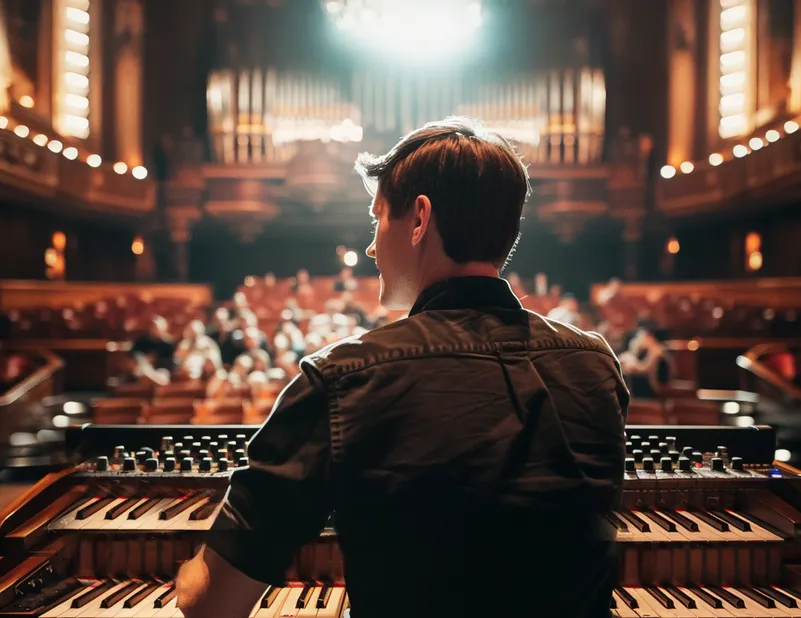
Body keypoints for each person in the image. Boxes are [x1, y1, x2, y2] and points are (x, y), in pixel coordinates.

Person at [176, 117, 629, 618]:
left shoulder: (343, 378)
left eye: (377, 220)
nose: (371, 247)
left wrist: (186, 574)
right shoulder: (596, 365)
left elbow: (211, 605)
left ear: (419, 219)